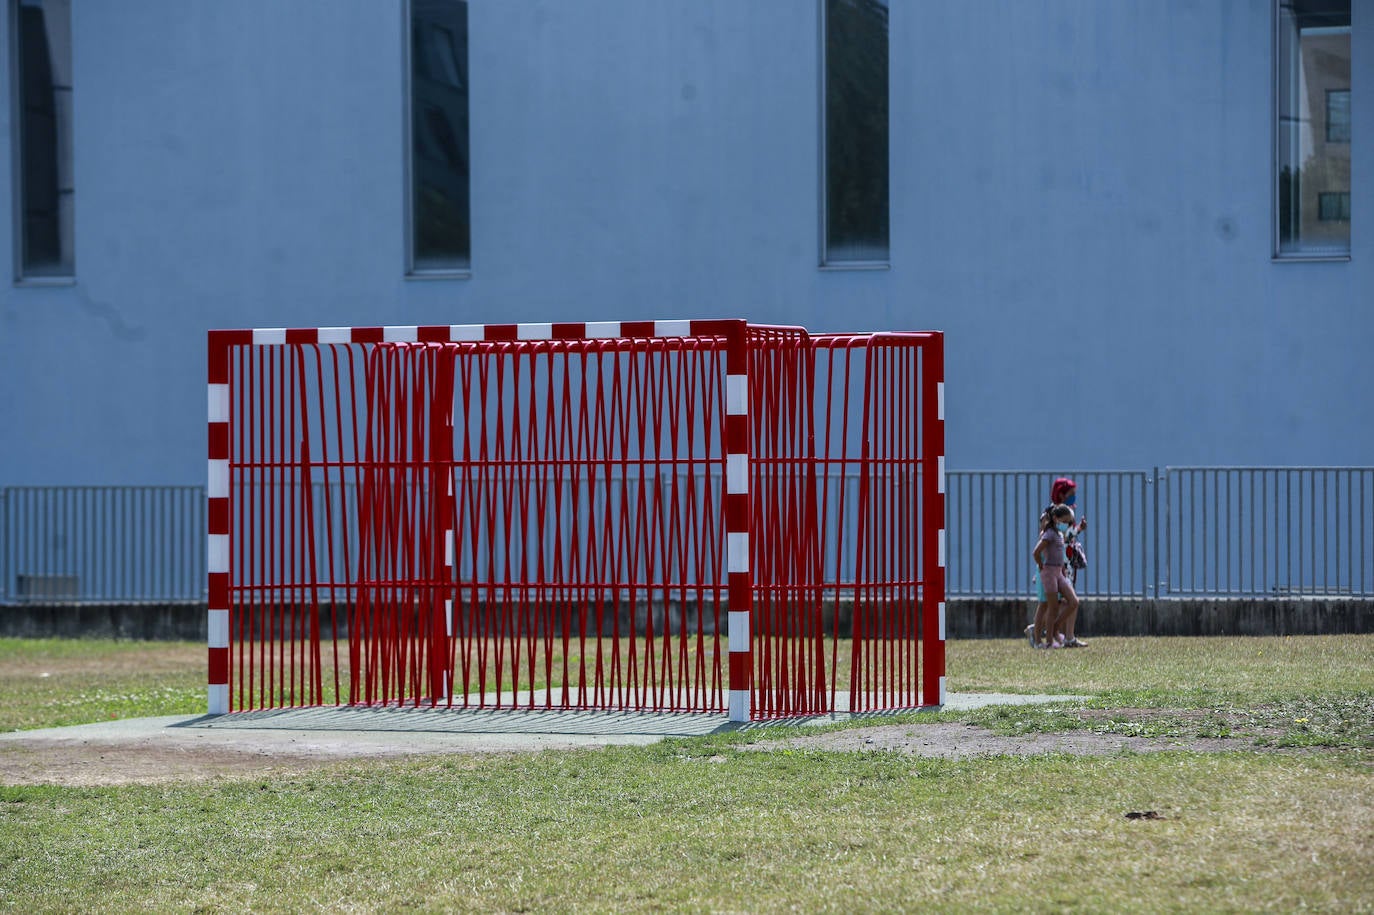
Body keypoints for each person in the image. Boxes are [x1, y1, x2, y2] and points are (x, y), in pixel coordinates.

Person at [1029, 503, 1085, 648]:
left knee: (1073, 601)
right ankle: (1046, 640)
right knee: (1049, 606)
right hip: (1049, 572)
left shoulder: (1059, 534)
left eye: (1069, 523)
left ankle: (1053, 629)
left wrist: (1078, 528)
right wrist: (1041, 566)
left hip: (1059, 572)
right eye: (1065, 522)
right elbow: (1036, 552)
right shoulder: (1049, 534)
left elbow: (1067, 539)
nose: (1067, 525)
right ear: (1055, 519)